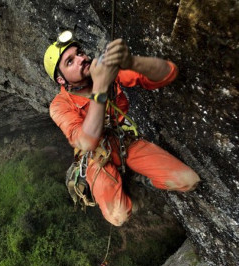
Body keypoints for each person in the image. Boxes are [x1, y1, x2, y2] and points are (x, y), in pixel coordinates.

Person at [43, 31, 200, 226]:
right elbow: (86, 141)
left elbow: (169, 73)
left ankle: (144, 180)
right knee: (118, 216)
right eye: (70, 62)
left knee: (188, 180)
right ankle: (120, 184)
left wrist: (132, 62)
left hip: (125, 141)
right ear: (61, 80)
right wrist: (100, 86)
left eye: (80, 53)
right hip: (96, 156)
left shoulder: (105, 71)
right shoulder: (60, 105)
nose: (81, 59)